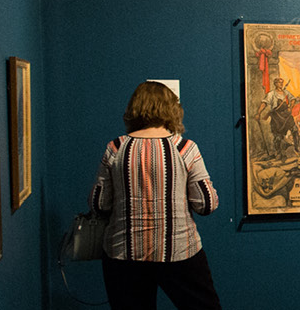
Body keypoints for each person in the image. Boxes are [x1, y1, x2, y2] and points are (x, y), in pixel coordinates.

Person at [89, 81, 222, 309]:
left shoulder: (116, 148)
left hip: (123, 254)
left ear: (134, 109)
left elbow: (99, 204)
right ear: (171, 109)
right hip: (179, 251)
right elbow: (206, 204)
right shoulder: (185, 148)